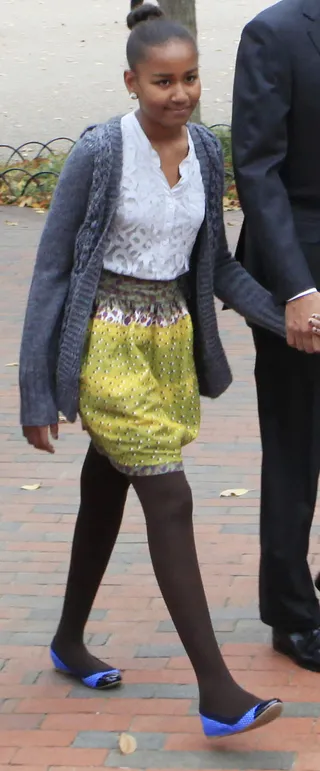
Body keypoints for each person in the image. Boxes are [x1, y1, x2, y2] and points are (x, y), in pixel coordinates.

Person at [19, 0, 286, 738]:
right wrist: (37, 387)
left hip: (165, 343)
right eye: (163, 80)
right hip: (104, 338)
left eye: (192, 78)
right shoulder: (100, 153)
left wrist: (287, 317)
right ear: (132, 81)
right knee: (169, 497)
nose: (180, 93)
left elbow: (219, 267)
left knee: (106, 488)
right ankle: (217, 692)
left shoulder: (204, 150)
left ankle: (68, 639)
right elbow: (48, 273)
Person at [232, 0, 320, 671]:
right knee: (296, 444)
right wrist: (296, 288)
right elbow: (259, 167)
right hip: (300, 260)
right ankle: (292, 617)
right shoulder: (274, 32)